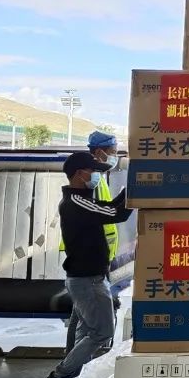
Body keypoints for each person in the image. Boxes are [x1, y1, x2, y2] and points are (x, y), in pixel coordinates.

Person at [42, 151, 133, 378]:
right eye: (92, 171)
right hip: (88, 280)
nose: (96, 176)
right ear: (79, 174)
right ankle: (61, 375)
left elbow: (110, 207)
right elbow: (116, 213)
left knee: (86, 331)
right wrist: (138, 186)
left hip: (87, 278)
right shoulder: (76, 202)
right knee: (101, 332)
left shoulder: (83, 200)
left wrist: (132, 187)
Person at [61, 131, 122, 354]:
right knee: (91, 324)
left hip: (96, 260)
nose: (114, 157)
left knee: (84, 320)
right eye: (113, 152)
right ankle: (69, 367)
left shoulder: (95, 180)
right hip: (86, 263)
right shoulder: (86, 187)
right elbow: (112, 212)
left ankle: (73, 364)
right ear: (99, 152)